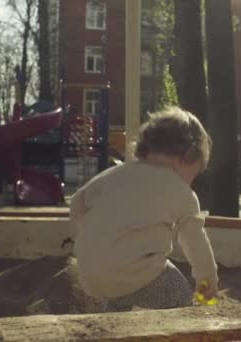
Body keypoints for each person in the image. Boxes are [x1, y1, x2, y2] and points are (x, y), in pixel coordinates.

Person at [70, 106, 218, 311]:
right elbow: (196, 244)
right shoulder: (181, 191)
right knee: (177, 290)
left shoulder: (115, 174)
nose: (191, 183)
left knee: (119, 293)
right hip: (134, 274)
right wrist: (207, 285)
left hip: (90, 275)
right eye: (194, 174)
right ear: (186, 157)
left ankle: (113, 324)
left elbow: (77, 203)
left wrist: (89, 238)